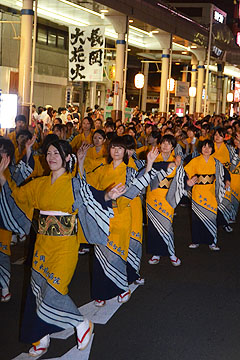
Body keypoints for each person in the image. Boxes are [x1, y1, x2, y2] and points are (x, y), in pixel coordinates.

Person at [0, 139, 125, 357]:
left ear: (67, 158)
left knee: (56, 290)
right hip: (42, 245)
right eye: (48, 153)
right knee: (37, 290)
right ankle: (41, 336)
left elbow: (93, 197)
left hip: (65, 246)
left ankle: (81, 323)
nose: (51, 157)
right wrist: (2, 177)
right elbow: (17, 196)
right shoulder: (39, 183)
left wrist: (108, 196)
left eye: (57, 153)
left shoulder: (74, 183)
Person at [78, 136, 172, 307]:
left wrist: (149, 163)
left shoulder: (129, 170)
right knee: (100, 255)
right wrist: (81, 161)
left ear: (125, 152)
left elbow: (138, 186)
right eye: (113, 147)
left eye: (120, 148)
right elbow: (86, 186)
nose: (116, 151)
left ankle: (122, 287)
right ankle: (101, 292)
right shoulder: (102, 169)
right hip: (103, 216)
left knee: (117, 254)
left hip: (122, 216)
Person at [184, 140, 230, 251]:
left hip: (211, 192)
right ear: (201, 148)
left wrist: (227, 181)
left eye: (209, 147)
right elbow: (185, 172)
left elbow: (225, 172)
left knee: (211, 217)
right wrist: (188, 181)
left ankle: (212, 241)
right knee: (196, 218)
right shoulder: (195, 161)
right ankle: (196, 240)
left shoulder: (216, 162)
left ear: (212, 149)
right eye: (204, 147)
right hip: (198, 192)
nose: (206, 149)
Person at [147, 135, 182, 266]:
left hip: (167, 197)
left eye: (168, 144)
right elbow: (153, 168)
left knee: (167, 226)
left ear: (173, 147)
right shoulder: (154, 156)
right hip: (153, 196)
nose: (165, 146)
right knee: (153, 226)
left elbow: (181, 177)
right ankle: (156, 253)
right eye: (163, 143)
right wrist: (171, 164)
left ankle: (171, 253)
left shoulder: (176, 159)